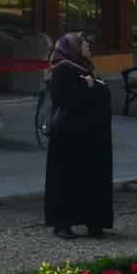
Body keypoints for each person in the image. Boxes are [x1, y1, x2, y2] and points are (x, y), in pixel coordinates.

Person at [42, 32, 115, 238]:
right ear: (73, 47)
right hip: (69, 135)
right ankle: (63, 223)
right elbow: (66, 100)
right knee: (67, 180)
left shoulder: (85, 68)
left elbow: (101, 94)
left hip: (91, 134)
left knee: (92, 179)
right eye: (84, 43)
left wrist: (94, 89)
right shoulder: (63, 69)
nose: (88, 45)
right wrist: (91, 90)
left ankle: (94, 221)